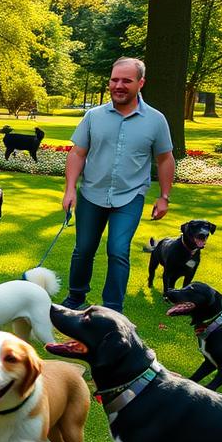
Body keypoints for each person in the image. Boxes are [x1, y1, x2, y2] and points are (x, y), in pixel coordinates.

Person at [61, 57, 174, 313]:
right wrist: (70, 189)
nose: (118, 85)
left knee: (118, 250)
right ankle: (75, 298)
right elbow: (77, 153)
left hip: (130, 196)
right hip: (91, 193)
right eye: (114, 79)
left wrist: (164, 196)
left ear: (141, 83)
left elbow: (165, 158)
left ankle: (112, 308)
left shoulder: (156, 120)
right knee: (83, 249)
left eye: (126, 80)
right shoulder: (94, 116)